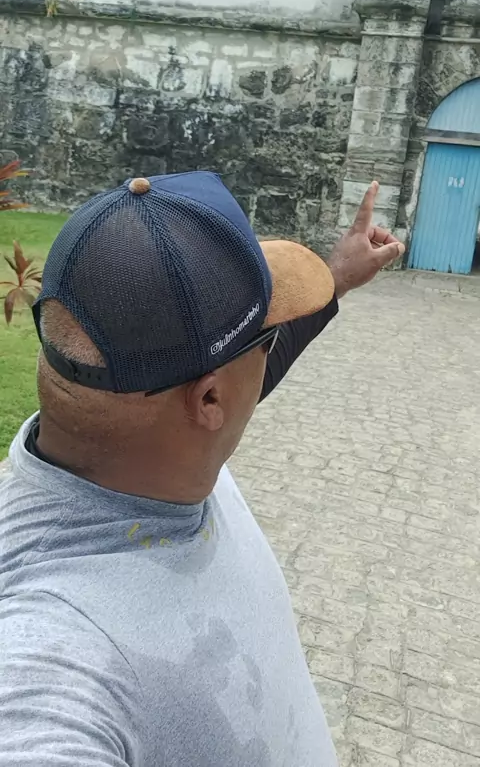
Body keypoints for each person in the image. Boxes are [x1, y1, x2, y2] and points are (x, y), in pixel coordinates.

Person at [0, 172, 404, 766]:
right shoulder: (52, 660)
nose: (268, 360)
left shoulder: (144, 442)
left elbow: (235, 379)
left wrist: (337, 276)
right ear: (209, 400)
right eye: (265, 339)